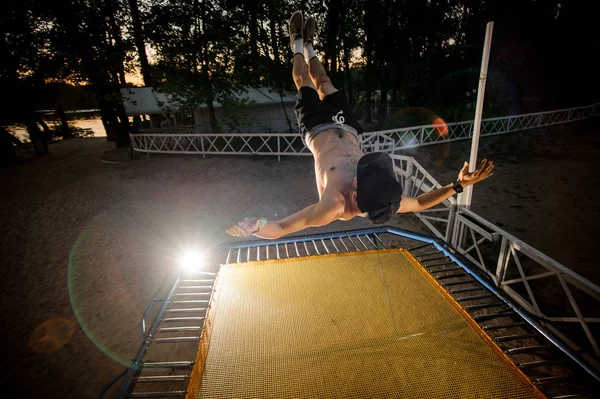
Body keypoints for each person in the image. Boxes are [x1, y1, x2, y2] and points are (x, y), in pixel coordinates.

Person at [226, 11, 494, 239]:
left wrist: (255, 226)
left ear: (355, 195)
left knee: (305, 83)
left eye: (361, 175)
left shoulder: (333, 206)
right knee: (325, 82)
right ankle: (310, 46)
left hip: (316, 128)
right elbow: (422, 202)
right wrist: (458, 185)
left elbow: (283, 227)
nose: (364, 169)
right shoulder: (386, 197)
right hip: (348, 128)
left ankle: (295, 41)